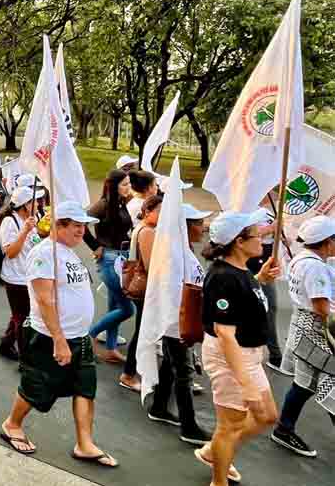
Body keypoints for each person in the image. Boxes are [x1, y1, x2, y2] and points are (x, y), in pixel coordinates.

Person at [0, 201, 117, 468]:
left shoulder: (68, 252)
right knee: (37, 387)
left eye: (83, 226)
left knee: (85, 388)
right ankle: (12, 424)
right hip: (49, 337)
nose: (82, 231)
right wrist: (59, 340)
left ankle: (85, 443)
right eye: (76, 226)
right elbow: (44, 299)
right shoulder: (43, 254)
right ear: (59, 225)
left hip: (79, 337)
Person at [194, 210, 280, 486]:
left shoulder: (241, 271)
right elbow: (225, 333)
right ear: (239, 242)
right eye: (256, 235)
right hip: (230, 357)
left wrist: (261, 280)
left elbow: (243, 301)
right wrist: (246, 384)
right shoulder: (223, 277)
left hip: (248, 354)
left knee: (267, 416)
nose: (262, 240)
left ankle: (214, 452)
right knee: (229, 427)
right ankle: (218, 480)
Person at [142, 203, 213, 445]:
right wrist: (182, 324)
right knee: (184, 373)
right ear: (186, 227)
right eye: (199, 224)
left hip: (177, 321)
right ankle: (188, 425)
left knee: (172, 366)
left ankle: (159, 406)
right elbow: (174, 291)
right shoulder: (175, 253)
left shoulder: (181, 249)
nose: (203, 228)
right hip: (177, 322)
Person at [272, 216, 335, 457]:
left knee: (306, 384)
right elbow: (321, 307)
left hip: (302, 327)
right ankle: (283, 428)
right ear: (327, 241)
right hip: (317, 330)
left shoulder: (300, 259)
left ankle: (284, 427)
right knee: (328, 380)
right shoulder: (316, 266)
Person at [84, 170, 134, 365]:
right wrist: (95, 246)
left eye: (129, 184)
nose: (128, 188)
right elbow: (83, 221)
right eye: (124, 184)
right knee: (127, 309)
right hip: (109, 259)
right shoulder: (103, 204)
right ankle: (91, 334)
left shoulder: (120, 203)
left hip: (122, 258)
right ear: (113, 186)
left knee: (114, 306)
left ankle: (111, 348)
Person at [118, 195, 163, 392]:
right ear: (147, 211)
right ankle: (128, 373)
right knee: (142, 332)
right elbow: (151, 263)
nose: (162, 216)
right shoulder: (146, 232)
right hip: (146, 288)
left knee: (145, 331)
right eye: (159, 211)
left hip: (146, 287)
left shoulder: (147, 229)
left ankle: (137, 371)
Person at [0, 186, 44, 360]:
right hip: (15, 278)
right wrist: (25, 230)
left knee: (20, 314)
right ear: (25, 205)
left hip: (30, 275)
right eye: (35, 201)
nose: (38, 203)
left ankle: (6, 344)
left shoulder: (34, 218)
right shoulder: (10, 222)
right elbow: (10, 252)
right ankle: (26, 360)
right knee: (24, 318)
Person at [246, 193, 283, 372]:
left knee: (270, 307)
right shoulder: (245, 208)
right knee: (257, 306)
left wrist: (280, 234)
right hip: (252, 263)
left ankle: (274, 353)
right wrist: (271, 228)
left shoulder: (271, 210)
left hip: (267, 261)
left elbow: (272, 235)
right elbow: (246, 233)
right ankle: (273, 353)